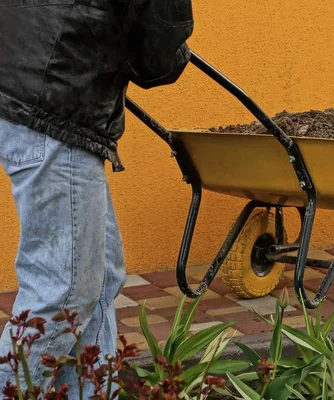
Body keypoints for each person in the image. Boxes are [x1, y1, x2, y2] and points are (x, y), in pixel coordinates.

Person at [0, 0, 194, 395]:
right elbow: (157, 59)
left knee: (100, 276)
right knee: (65, 291)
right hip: (55, 105)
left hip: (24, 91)